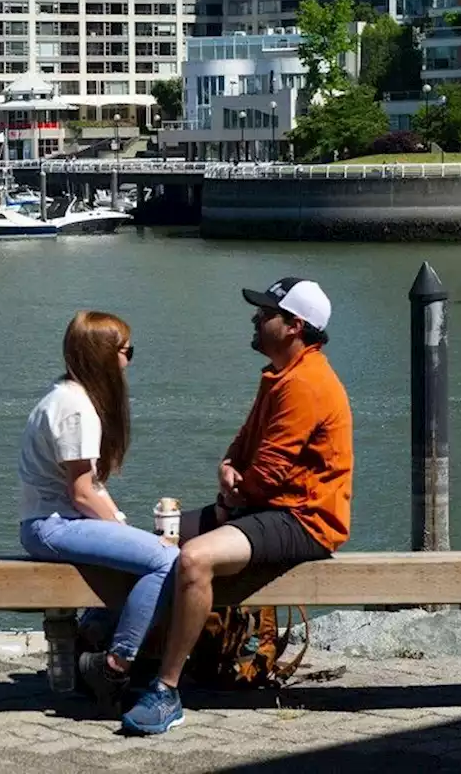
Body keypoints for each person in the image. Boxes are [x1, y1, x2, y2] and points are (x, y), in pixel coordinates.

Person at [122, 278, 353, 736]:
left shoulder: (305, 383)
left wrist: (233, 496)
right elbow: (241, 451)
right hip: (263, 507)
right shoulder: (279, 376)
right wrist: (231, 475)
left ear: (294, 326)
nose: (255, 318)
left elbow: (266, 475)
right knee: (151, 544)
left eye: (266, 313)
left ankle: (167, 690)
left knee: (194, 559)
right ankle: (128, 659)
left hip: (303, 519)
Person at [19, 310, 179, 715]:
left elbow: (88, 488)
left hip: (48, 521)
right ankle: (114, 665)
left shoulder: (64, 395)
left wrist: (126, 531)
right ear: (104, 357)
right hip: (53, 525)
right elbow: (82, 493)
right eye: (127, 352)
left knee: (147, 555)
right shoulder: (76, 408)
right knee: (167, 559)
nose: (129, 361)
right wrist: (134, 534)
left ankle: (95, 636)